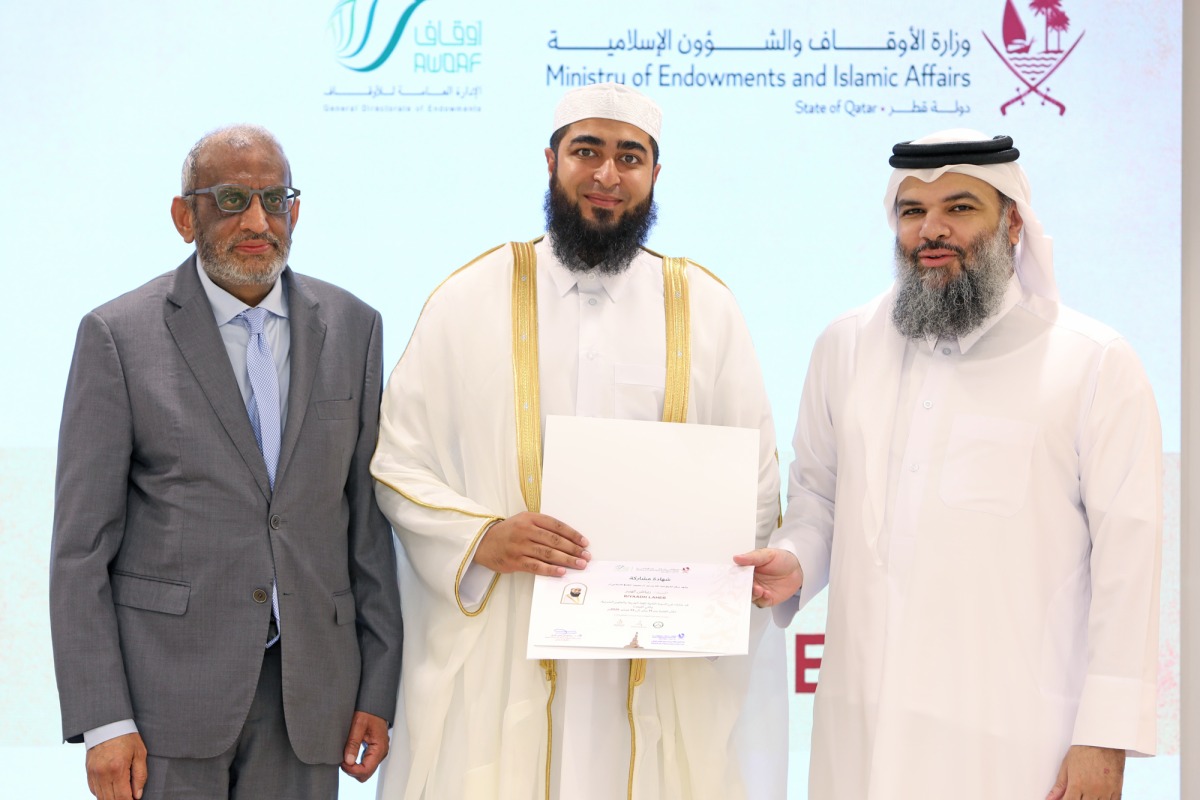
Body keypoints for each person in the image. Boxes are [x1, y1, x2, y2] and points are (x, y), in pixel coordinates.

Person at [370, 83, 785, 799]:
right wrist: (481, 538)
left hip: (659, 656)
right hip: (510, 641)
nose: (606, 174)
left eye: (630, 156)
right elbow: (398, 462)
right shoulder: (467, 300)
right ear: (551, 161)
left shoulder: (707, 309)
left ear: (655, 174)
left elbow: (754, 475)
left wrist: (710, 580)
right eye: (585, 151)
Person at [736, 129, 1162, 799]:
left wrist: (1103, 738)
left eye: (960, 208)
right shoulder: (844, 345)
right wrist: (793, 562)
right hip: (863, 727)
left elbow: (1128, 564)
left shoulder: (1093, 362)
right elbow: (819, 501)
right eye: (912, 211)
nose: (931, 230)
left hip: (1017, 737)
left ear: (1013, 221)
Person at [49, 125, 404, 800]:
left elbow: (366, 530)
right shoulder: (117, 336)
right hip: (164, 705)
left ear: (295, 212)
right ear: (186, 216)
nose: (257, 220)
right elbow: (81, 548)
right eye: (232, 198)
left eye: (274, 199)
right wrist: (103, 718)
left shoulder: (355, 327)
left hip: (310, 699)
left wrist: (378, 689)